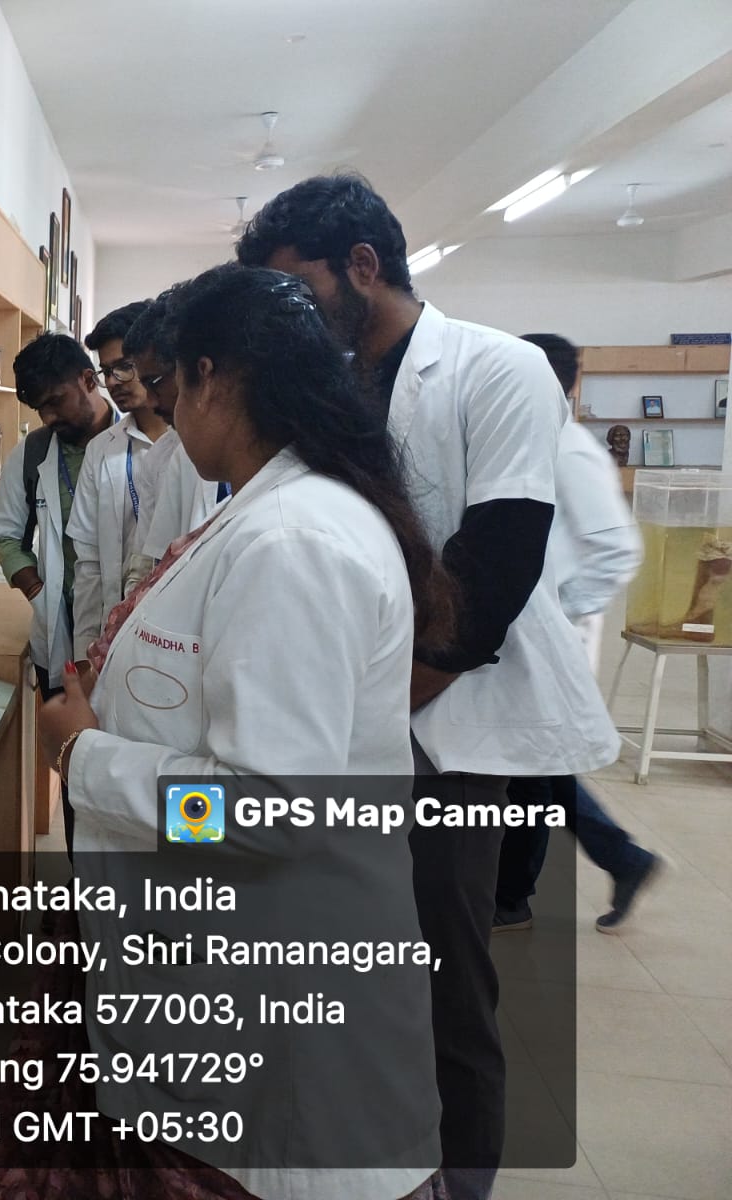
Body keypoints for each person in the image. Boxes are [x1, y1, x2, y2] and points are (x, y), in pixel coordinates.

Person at [237, 173, 618, 1200]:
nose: (290, 313)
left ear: (362, 266)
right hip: (344, 709)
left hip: (446, 721)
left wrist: (380, 705)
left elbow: (495, 564)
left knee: (444, 979)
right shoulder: (326, 387)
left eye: (300, 287)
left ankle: (461, 1182)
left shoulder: (496, 368)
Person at [36, 264, 453, 1200]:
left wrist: (83, 756)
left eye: (169, 386)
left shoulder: (292, 541)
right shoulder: (268, 511)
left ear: (212, 377)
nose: (163, 412)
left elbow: (268, 813)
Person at [495, 333, 661, 934]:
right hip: (523, 631)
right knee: (533, 763)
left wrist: (562, 611)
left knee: (534, 767)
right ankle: (616, 859)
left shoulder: (570, 450)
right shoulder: (531, 440)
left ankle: (517, 895)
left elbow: (618, 548)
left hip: (553, 633)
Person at [0, 333, 116, 852]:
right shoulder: (35, 452)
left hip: (128, 639)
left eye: (56, 401)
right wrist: (41, 593)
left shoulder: (142, 441)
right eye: (39, 408)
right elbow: (6, 535)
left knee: (128, 767)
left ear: (88, 380)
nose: (48, 417)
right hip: (61, 644)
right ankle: (82, 879)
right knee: (75, 769)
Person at [68, 301, 167, 662]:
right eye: (106, 371)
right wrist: (84, 655)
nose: (112, 382)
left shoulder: (192, 447)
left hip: (177, 634)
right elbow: (89, 564)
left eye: (124, 366)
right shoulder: (101, 450)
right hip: (116, 636)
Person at [119, 293, 226, 589]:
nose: (150, 401)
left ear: (200, 371)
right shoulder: (166, 457)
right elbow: (153, 563)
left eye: (154, 383)